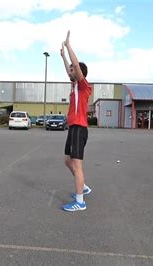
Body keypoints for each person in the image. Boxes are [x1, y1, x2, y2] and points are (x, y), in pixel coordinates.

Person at [60, 31, 92, 212]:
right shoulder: (74, 87)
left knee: (77, 164)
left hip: (80, 129)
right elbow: (70, 71)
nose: (70, 70)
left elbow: (76, 70)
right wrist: (63, 57)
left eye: (73, 68)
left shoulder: (83, 86)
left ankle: (80, 202)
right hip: (73, 128)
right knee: (67, 160)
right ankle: (84, 187)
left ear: (80, 73)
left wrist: (68, 45)